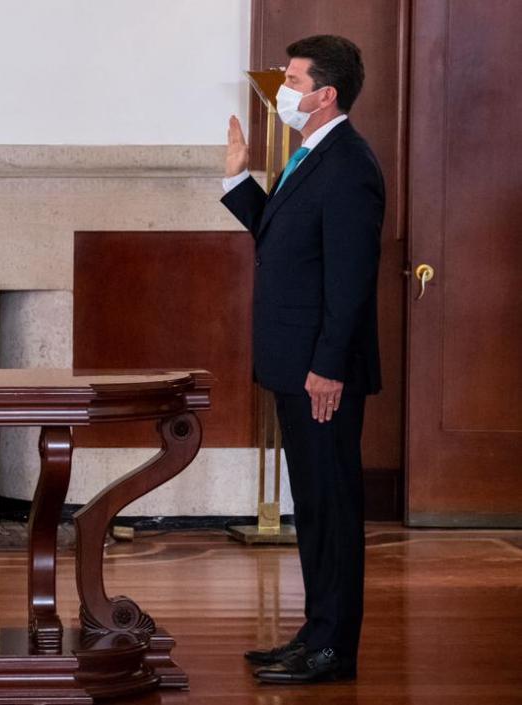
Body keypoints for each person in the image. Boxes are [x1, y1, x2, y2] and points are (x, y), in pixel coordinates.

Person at [220, 34, 384, 684]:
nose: (281, 91)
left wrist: (329, 366)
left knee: (333, 508)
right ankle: (315, 633)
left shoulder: (349, 165)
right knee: (312, 507)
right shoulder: (311, 154)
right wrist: (238, 177)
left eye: (291, 80)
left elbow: (349, 280)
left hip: (322, 375)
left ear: (325, 94)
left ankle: (333, 650)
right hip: (296, 365)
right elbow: (280, 237)